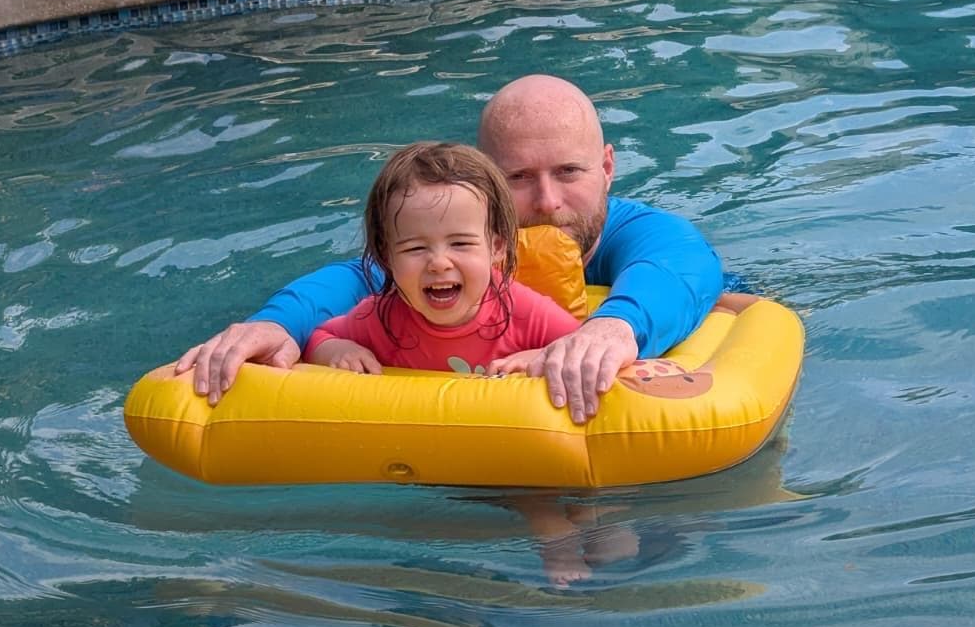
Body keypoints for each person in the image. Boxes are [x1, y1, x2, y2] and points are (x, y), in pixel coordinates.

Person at [176, 74, 734, 423]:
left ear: (608, 167)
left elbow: (682, 263)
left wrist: (611, 328)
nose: (547, 202)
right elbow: (358, 278)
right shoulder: (449, 252)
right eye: (518, 177)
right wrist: (278, 324)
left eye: (569, 172)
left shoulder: (640, 234)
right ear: (484, 180)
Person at [303, 140, 580, 375]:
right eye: (415, 248)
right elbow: (319, 336)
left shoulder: (526, 314)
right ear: (387, 256)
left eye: (460, 243)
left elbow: (581, 345)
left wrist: (542, 356)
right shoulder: (379, 318)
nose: (438, 263)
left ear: (496, 247)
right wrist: (339, 350)